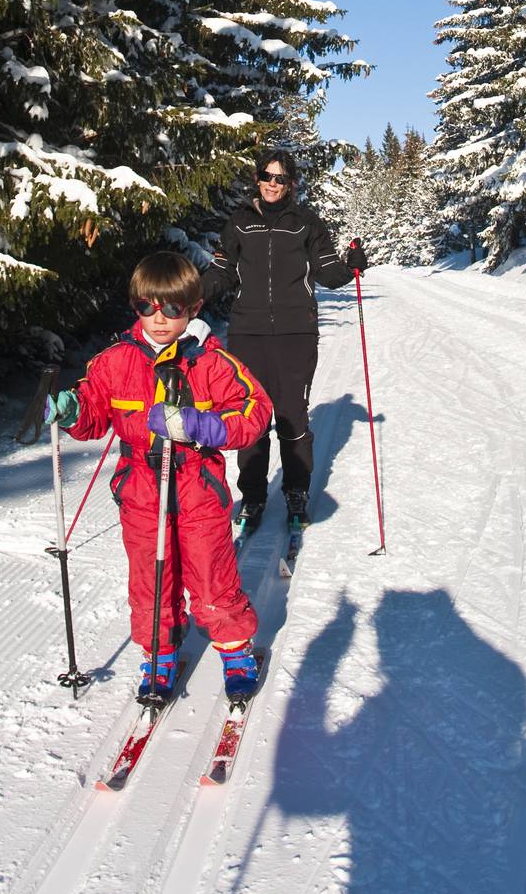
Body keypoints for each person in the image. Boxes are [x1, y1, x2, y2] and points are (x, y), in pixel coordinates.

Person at [46, 250, 272, 702]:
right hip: (140, 487)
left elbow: (256, 410)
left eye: (171, 308)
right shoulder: (115, 361)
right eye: (147, 307)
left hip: (196, 483)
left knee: (211, 571)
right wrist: (72, 410)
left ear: (192, 308)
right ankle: (159, 651)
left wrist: (203, 426)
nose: (159, 318)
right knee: (150, 577)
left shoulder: (210, 361)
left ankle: (233, 646)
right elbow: (92, 413)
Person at [200, 148, 367, 531]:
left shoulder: (305, 222)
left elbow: (325, 271)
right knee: (251, 416)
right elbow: (222, 272)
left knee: (292, 415)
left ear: (290, 184)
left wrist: (349, 267)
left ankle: (296, 491)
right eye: (266, 176)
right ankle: (254, 496)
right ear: (257, 179)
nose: (272, 184)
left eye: (280, 178)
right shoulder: (240, 222)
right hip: (247, 333)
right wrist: (193, 293)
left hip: (296, 332)